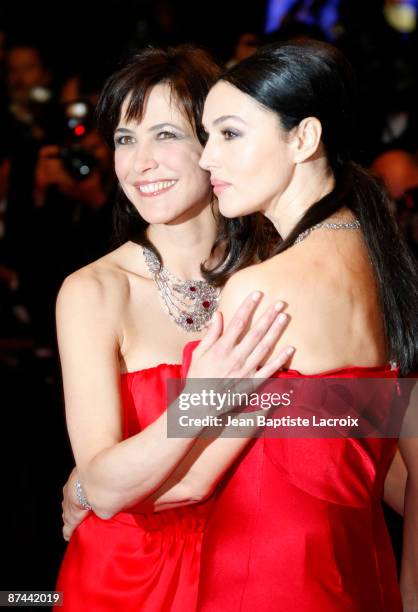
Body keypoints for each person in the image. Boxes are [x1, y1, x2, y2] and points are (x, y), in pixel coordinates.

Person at [54, 45, 294, 612]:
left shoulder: (282, 277)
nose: (140, 163)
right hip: (127, 578)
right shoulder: (94, 291)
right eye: (124, 139)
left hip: (258, 568)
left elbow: (357, 427)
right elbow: (105, 484)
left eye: (165, 134)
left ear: (215, 144)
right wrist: (203, 398)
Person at [184, 39, 417, 611]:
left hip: (264, 577)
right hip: (358, 570)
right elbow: (356, 438)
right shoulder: (380, 259)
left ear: (305, 138)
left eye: (230, 133)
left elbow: (187, 477)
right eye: (207, 135)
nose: (206, 157)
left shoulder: (262, 286)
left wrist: (88, 487)